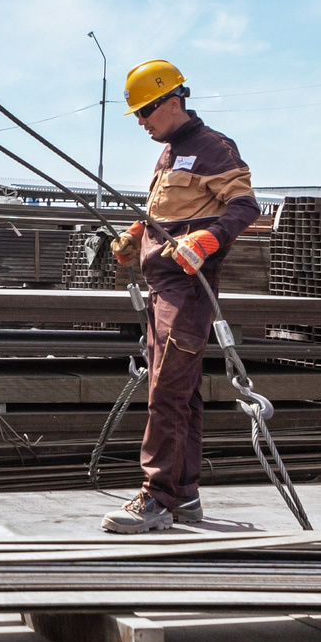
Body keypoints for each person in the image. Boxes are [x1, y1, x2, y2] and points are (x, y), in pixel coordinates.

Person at [101, 59, 260, 534]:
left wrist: (207, 241)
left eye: (146, 111)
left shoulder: (214, 148)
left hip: (187, 292)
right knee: (181, 395)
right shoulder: (168, 153)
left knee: (166, 394)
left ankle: (156, 499)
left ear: (173, 102)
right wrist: (135, 236)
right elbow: (164, 215)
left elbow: (245, 206)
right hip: (161, 289)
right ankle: (184, 497)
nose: (141, 121)